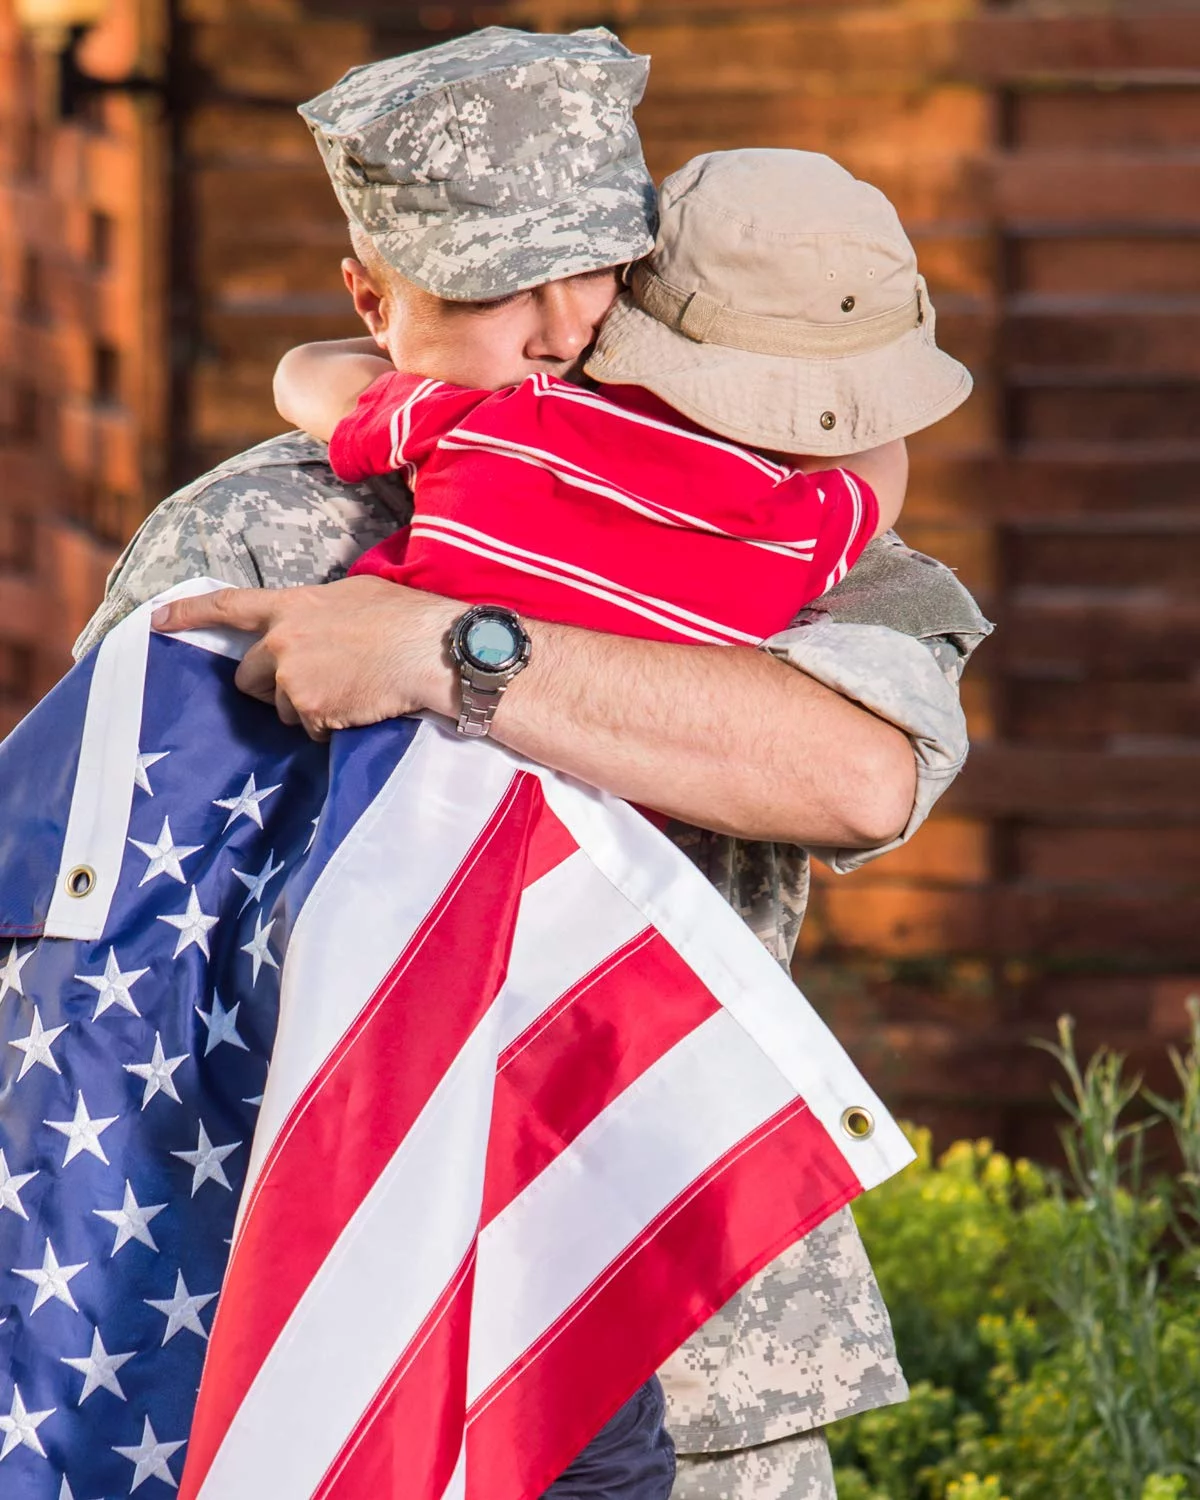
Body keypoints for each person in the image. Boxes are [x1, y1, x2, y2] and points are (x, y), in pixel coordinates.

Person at [76, 26, 993, 1500]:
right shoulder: (250, 535)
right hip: (321, 1326)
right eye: (495, 288)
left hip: (690, 1328)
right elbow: (110, 942)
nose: (559, 332)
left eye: (598, 274)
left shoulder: (770, 511)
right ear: (376, 298)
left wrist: (447, 648)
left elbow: (857, 779)